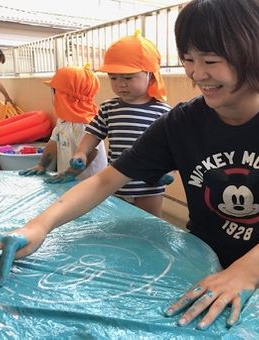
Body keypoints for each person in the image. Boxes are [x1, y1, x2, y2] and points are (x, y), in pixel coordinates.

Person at [0, 0, 259, 329]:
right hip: (204, 251)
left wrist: (245, 272)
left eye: (211, 61)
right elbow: (105, 181)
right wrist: (38, 226)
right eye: (189, 60)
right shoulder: (183, 122)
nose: (197, 74)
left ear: (255, 56)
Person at [50, 30, 172, 217]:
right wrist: (82, 151)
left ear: (150, 75)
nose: (120, 84)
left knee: (150, 225)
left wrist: (165, 168)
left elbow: (172, 146)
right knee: (120, 221)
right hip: (116, 179)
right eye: (113, 78)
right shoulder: (108, 108)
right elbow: (93, 133)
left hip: (150, 182)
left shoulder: (162, 111)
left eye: (128, 77)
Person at [18, 65, 107, 182]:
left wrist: (71, 173)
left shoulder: (85, 124)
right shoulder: (63, 120)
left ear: (65, 96)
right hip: (70, 179)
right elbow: (53, 144)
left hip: (89, 182)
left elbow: (91, 152)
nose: (53, 96)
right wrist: (42, 165)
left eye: (55, 91)